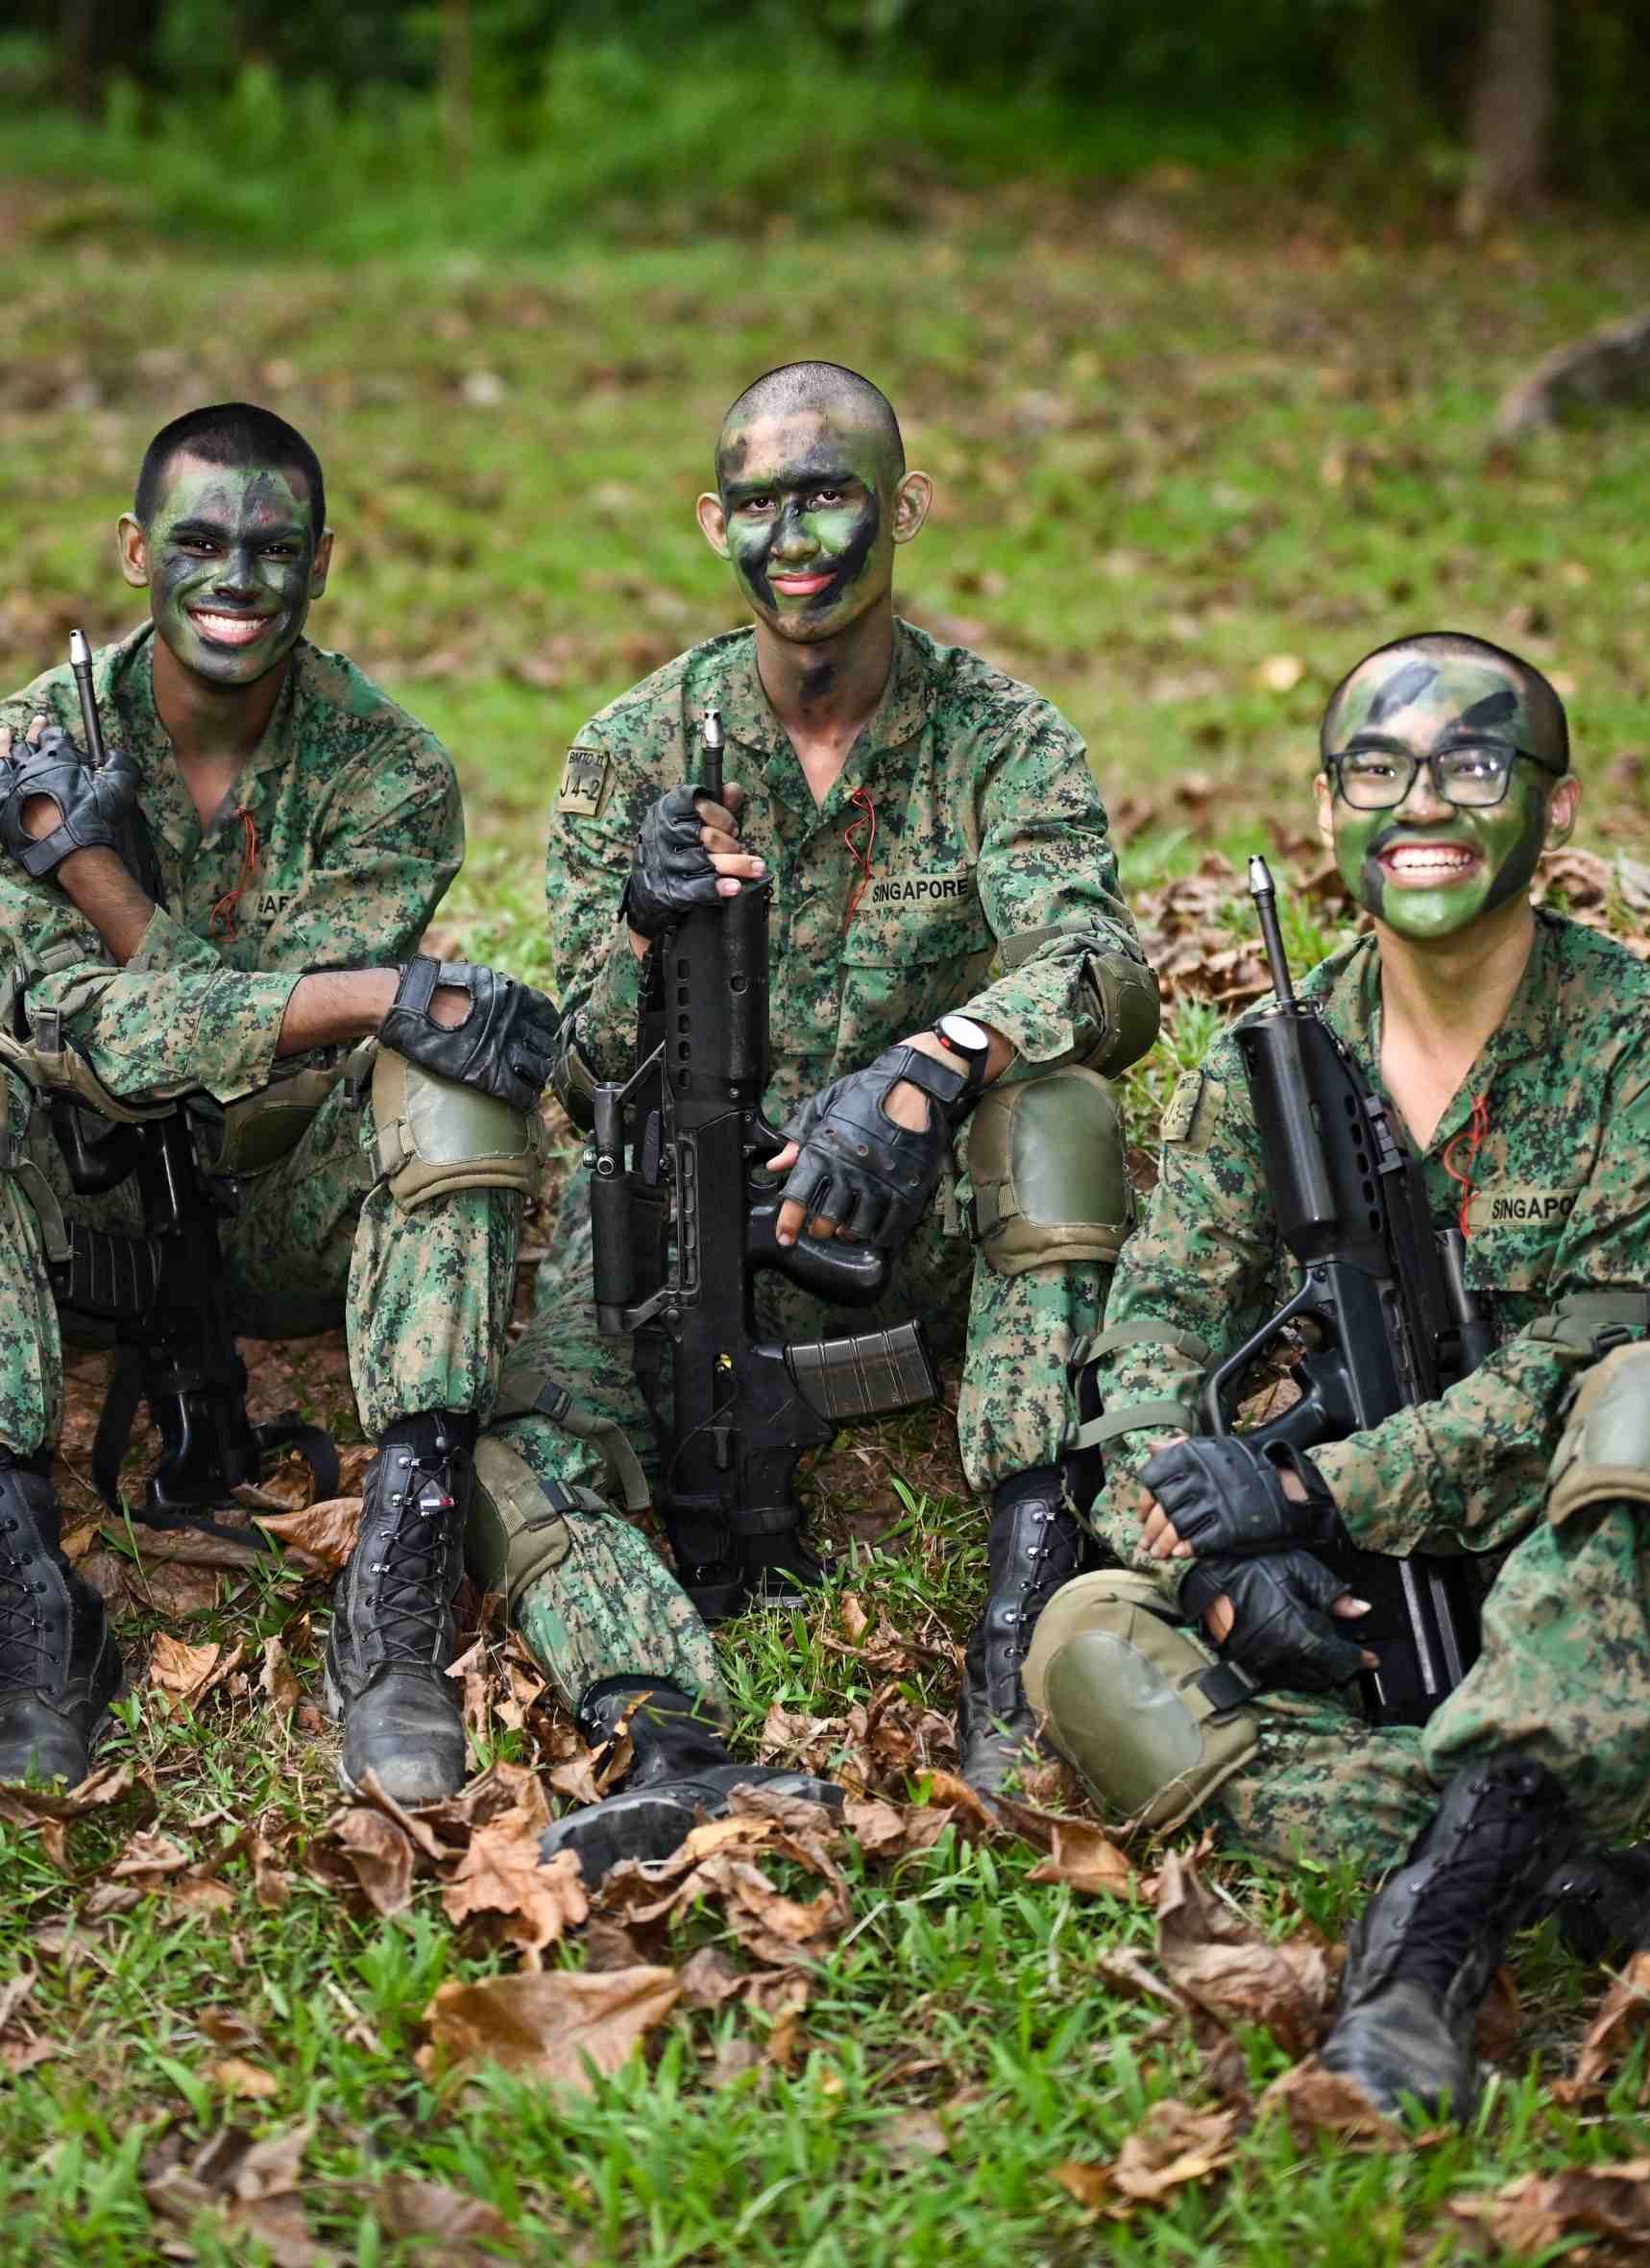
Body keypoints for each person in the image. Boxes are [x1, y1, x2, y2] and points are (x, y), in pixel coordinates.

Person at [1030, 631, 1650, 2115]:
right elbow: (1148, 1341)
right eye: (1377, 770)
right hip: (1359, 1580)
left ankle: (1422, 1952)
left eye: (1472, 765)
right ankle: (1589, 1867)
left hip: (1606, 1534)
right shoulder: (1273, 1061)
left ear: (1554, 808)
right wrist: (1202, 1561)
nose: (1423, 807)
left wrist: (1313, 1489)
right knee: (1082, 1636)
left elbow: (1593, 1357)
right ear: (1332, 809)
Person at [479, 362, 1157, 1878]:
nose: (799, 539)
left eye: (833, 493)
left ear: (906, 506)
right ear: (713, 521)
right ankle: (665, 1724)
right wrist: (643, 927)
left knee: (1052, 1119)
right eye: (763, 504)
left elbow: (1103, 969)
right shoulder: (635, 746)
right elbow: (582, 1056)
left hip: (911, 1228)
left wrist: (927, 1070)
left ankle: (1022, 1617)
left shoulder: (1001, 736)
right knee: (501, 1423)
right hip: (679, 1230)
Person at [0, 402, 558, 1801]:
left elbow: (245, 1015)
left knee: (452, 1074)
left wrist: (105, 883)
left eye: (272, 546)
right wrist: (376, 993)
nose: (235, 579)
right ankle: (26, 1597)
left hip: (293, 1209)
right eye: (196, 540)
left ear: (323, 563)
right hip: (82, 1217)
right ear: (134, 550)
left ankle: (403, 1586)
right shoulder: (13, 761)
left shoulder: (391, 773)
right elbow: (106, 1036)